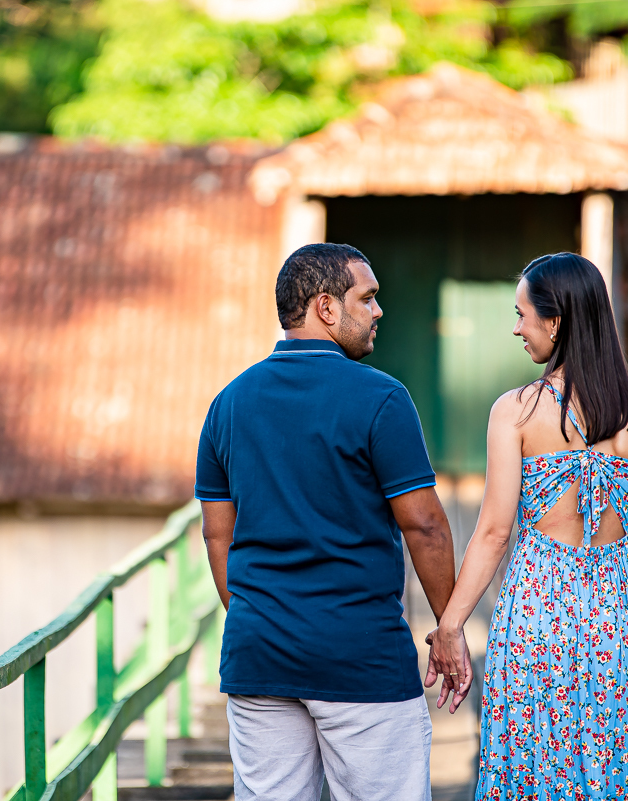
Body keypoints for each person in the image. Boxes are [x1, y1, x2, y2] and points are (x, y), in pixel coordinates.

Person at [195, 243, 469, 801]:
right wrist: (449, 628)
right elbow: (426, 527)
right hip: (360, 661)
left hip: (259, 657)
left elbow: (217, 533)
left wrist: (263, 616)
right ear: (325, 307)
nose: (378, 311)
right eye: (366, 298)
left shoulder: (227, 403)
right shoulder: (382, 399)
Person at [429, 252, 628, 799]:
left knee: (534, 764)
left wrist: (450, 626)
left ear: (556, 321)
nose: (516, 327)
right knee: (617, 761)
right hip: (619, 619)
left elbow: (493, 531)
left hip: (535, 619)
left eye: (522, 314)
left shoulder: (514, 412)